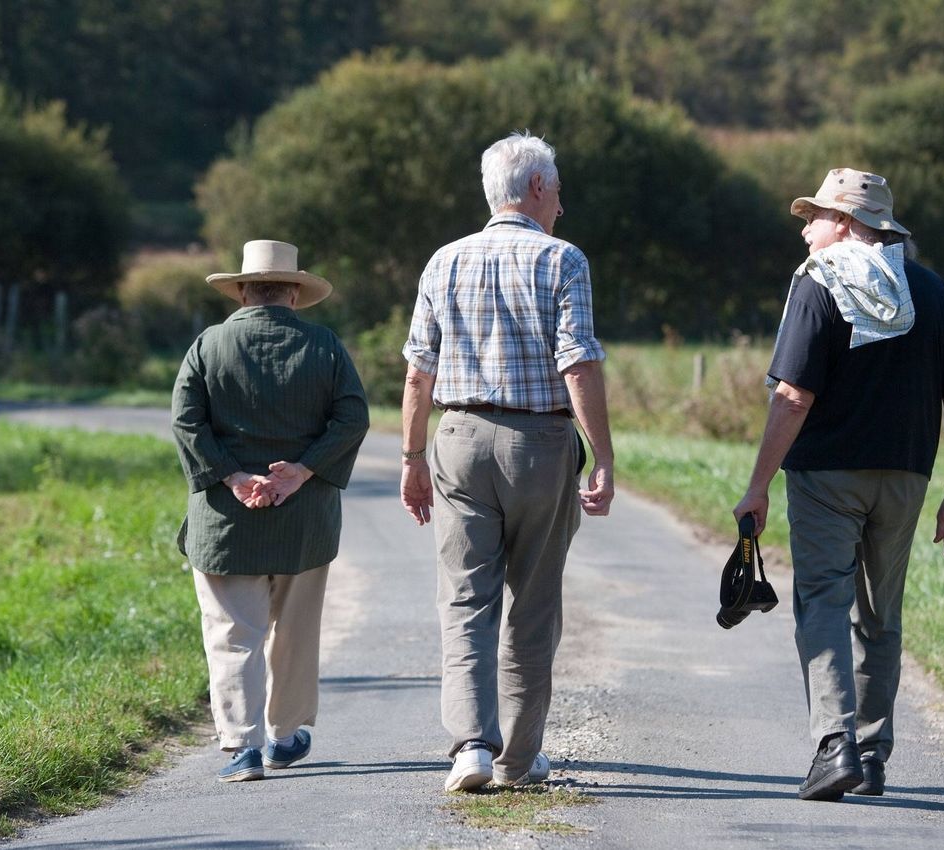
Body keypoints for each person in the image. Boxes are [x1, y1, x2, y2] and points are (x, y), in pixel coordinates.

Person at [733, 168, 944, 801]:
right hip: (906, 477)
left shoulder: (819, 284)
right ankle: (870, 755)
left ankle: (833, 745)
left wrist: (757, 485)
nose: (806, 228)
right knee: (880, 615)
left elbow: (791, 397)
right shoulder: (930, 289)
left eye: (813, 216)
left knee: (821, 602)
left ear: (844, 223)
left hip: (824, 479)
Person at [400, 131, 615, 793]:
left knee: (465, 599)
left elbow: (417, 373)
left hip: (458, 437)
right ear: (538, 189)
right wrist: (601, 454)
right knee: (534, 603)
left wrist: (411, 457)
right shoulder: (562, 260)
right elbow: (576, 360)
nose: (561, 206)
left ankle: (470, 748)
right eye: (558, 193)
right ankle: (519, 760)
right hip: (539, 445)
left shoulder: (443, 261)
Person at [172, 239, 369, 782]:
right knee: (296, 630)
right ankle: (285, 734)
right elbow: (352, 419)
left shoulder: (207, 346)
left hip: (224, 522)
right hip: (304, 521)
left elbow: (187, 423)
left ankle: (243, 747)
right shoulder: (326, 346)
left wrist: (234, 477)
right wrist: (301, 471)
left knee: (232, 632)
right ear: (295, 292)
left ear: (240, 290)